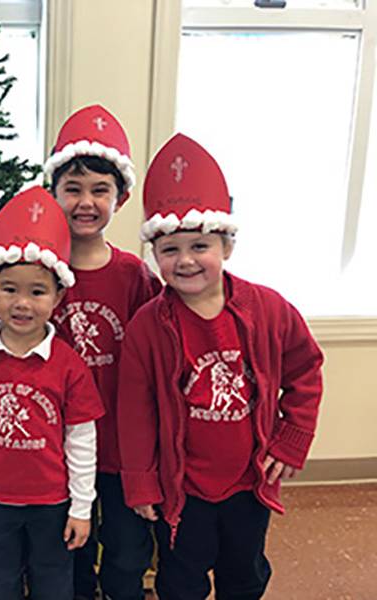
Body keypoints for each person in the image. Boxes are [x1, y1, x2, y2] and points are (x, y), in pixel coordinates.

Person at [117, 133, 324, 600]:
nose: (186, 260)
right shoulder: (147, 327)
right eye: (170, 249)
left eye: (200, 246)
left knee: (244, 575)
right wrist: (142, 483)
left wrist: (292, 439)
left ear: (226, 247)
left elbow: (306, 371)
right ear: (155, 255)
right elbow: (134, 411)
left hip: (249, 483)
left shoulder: (268, 309)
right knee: (180, 580)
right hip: (183, 488)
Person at [0, 186, 105, 600]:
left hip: (52, 502)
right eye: (9, 289)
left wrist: (81, 508)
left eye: (37, 291)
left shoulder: (69, 364)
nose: (22, 303)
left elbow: (82, 442)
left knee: (54, 583)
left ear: (58, 296)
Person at [43, 104, 162, 600]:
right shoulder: (36, 272)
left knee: (126, 551)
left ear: (122, 197)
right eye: (73, 189)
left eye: (100, 190)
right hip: (52, 448)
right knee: (65, 552)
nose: (85, 202)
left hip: (118, 446)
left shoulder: (135, 277)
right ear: (52, 194)